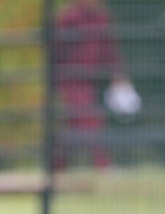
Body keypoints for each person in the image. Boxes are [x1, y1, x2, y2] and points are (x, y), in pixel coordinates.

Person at [53, 0, 139, 172]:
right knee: (90, 119)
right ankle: (103, 164)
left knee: (75, 125)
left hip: (90, 81)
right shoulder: (68, 18)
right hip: (70, 80)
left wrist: (119, 76)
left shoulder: (102, 18)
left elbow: (111, 51)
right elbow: (56, 53)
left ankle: (56, 168)